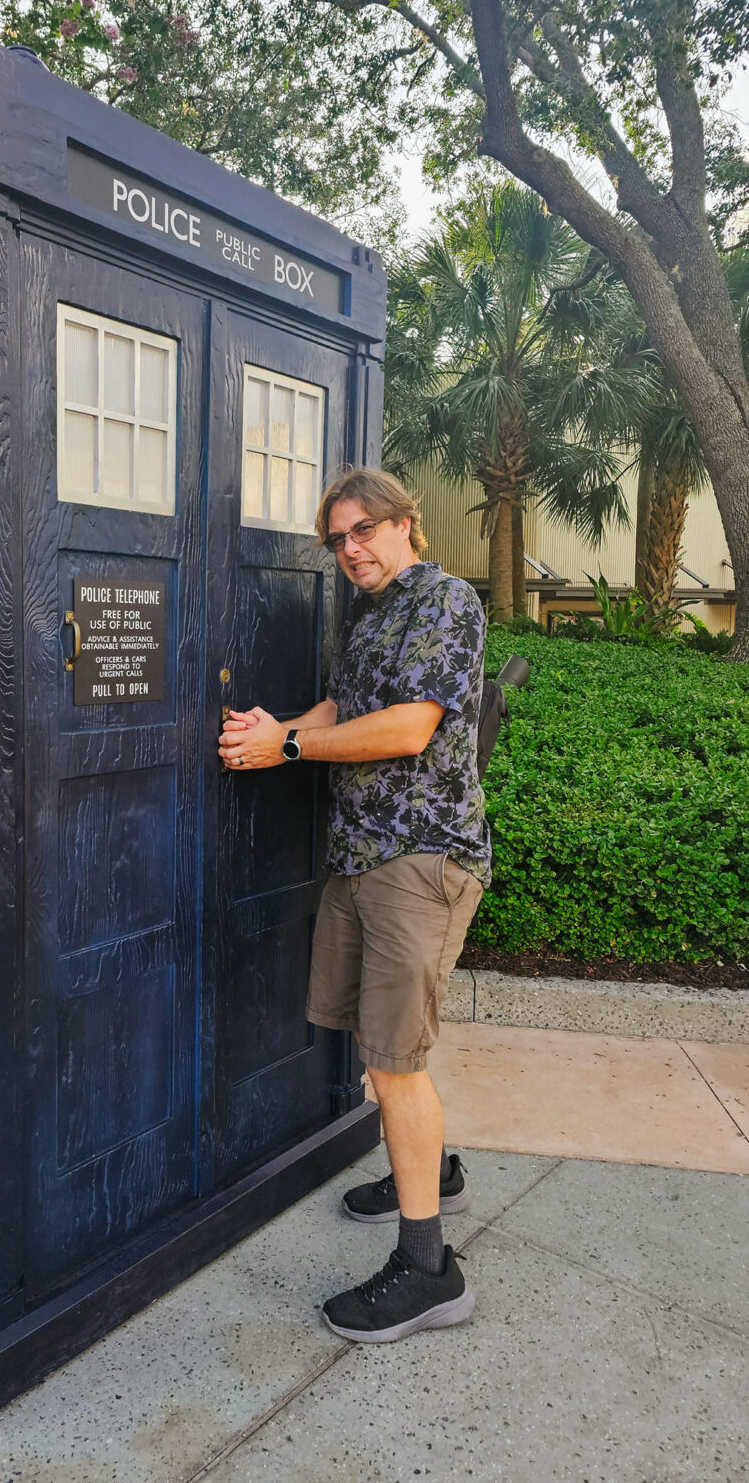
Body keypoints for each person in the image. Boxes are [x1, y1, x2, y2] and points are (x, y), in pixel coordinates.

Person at [218, 466, 490, 1343]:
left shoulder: (445, 602)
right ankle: (429, 1173)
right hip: (361, 853)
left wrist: (290, 745)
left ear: (406, 522)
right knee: (381, 1048)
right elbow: (349, 703)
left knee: (396, 1059)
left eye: (363, 530)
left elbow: (409, 725)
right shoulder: (370, 617)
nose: (350, 550)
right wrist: (277, 730)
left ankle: (428, 1271)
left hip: (420, 857)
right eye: (337, 540)